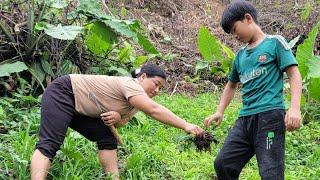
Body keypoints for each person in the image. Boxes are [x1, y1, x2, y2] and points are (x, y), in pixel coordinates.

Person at [30, 63, 204, 179]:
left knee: (107, 137)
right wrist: (186, 125)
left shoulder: (135, 102)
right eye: (156, 83)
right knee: (50, 144)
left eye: (161, 88)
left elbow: (120, 124)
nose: (157, 90)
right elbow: (154, 110)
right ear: (142, 77)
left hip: (80, 108)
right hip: (63, 92)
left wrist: (118, 117)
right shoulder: (131, 85)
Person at [204, 1, 302, 179]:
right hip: (245, 120)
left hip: (270, 118)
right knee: (223, 163)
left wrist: (295, 108)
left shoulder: (274, 43)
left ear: (248, 19)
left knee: (271, 173)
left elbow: (294, 74)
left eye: (234, 29)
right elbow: (231, 84)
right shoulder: (240, 55)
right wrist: (219, 111)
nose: (234, 36)